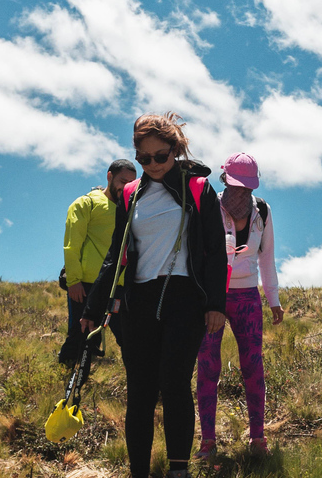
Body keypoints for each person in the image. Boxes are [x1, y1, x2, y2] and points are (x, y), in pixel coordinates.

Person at [82, 112, 228, 478]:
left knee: (175, 382)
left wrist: (215, 304)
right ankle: (139, 473)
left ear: (175, 150)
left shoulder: (198, 188)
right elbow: (116, 255)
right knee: (140, 391)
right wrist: (93, 305)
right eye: (143, 158)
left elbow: (215, 249)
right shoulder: (131, 194)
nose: (153, 164)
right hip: (138, 302)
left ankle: (179, 471)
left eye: (160, 156)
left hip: (184, 299)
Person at [194, 152, 284, 459]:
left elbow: (266, 257)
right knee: (207, 366)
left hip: (247, 296)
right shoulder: (209, 206)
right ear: (224, 181)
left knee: (253, 366)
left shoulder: (263, 211)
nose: (241, 192)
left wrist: (273, 299)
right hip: (211, 298)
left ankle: (257, 438)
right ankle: (207, 442)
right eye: (235, 185)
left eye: (246, 186)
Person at [58, 159, 137, 365]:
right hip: (84, 286)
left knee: (129, 338)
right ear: (109, 176)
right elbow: (71, 245)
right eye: (122, 181)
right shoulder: (85, 204)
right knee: (79, 334)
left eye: (130, 183)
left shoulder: (131, 211)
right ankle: (67, 372)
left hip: (118, 287)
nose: (124, 186)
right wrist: (73, 281)